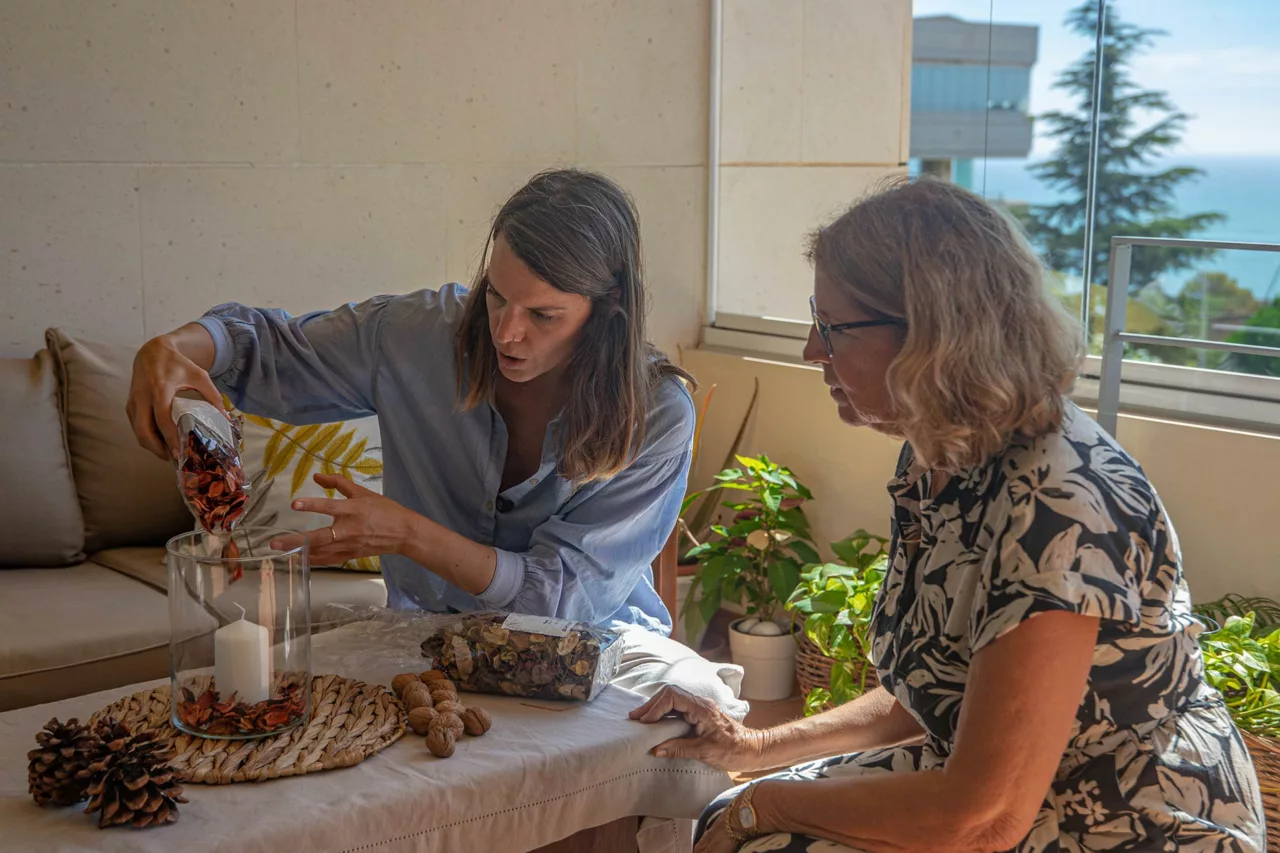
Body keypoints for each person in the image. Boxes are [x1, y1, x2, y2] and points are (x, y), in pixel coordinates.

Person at [632, 178, 1265, 852]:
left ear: (929, 334)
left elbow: (983, 818)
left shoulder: (1057, 504)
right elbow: (932, 691)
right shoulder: (940, 451)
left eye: (833, 328)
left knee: (763, 836)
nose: (813, 352)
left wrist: (767, 801)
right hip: (996, 784)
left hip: (1125, 815)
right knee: (728, 813)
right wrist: (756, 745)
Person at [127, 168, 746, 717]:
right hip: (425, 637)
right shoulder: (417, 334)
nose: (506, 332)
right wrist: (176, 349)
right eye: (497, 297)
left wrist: (408, 535)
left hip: (594, 654)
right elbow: (271, 349)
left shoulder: (659, 412)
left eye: (544, 315)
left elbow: (563, 600)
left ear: (609, 308)